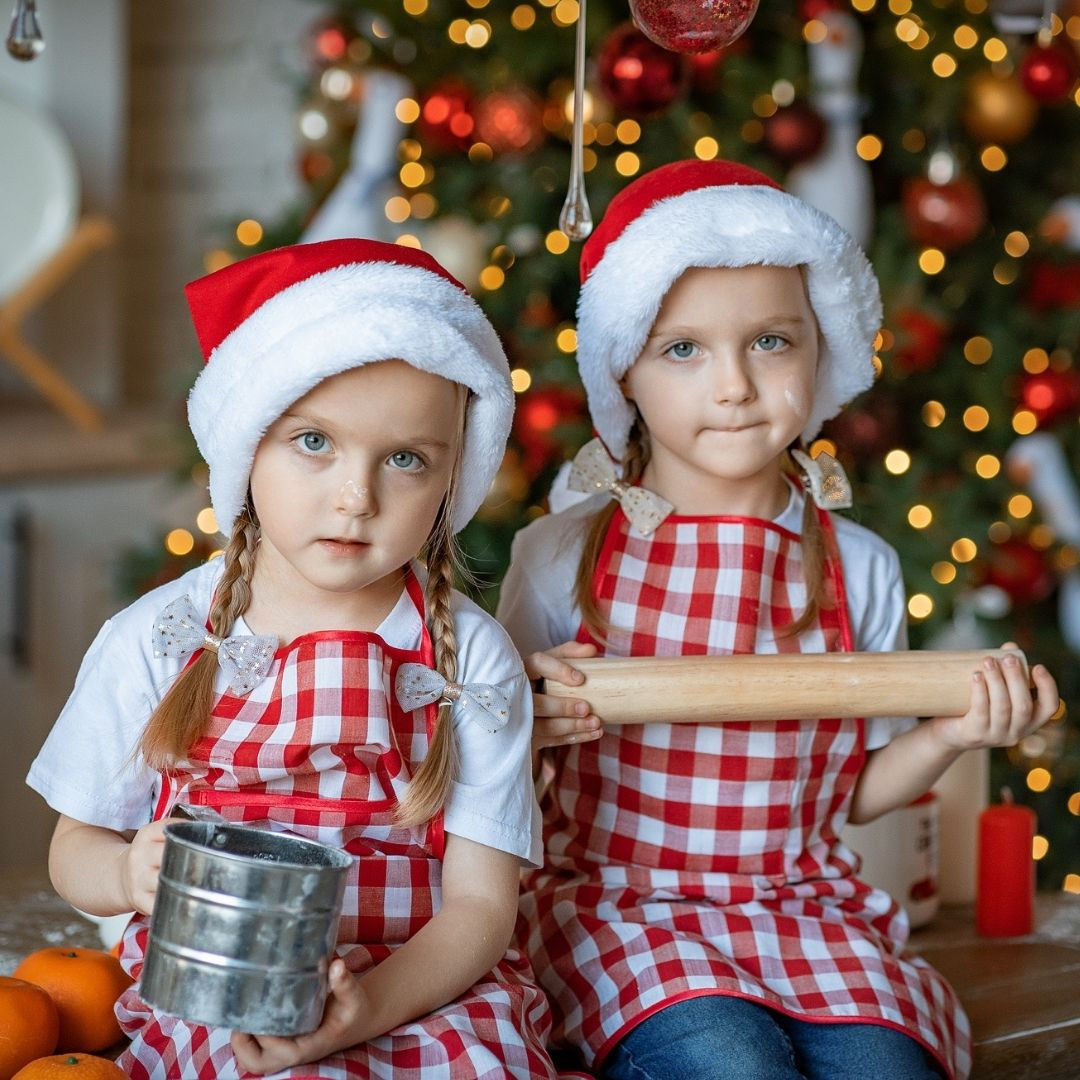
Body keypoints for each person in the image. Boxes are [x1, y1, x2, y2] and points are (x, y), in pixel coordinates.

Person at [497, 160, 1059, 1080]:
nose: (734, 387)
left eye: (770, 341)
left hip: (802, 906)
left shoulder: (861, 566)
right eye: (682, 349)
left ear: (821, 349)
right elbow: (486, 769)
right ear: (624, 370)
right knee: (729, 1064)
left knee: (890, 1070)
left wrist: (956, 732)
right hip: (622, 912)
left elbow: (854, 792)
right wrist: (533, 727)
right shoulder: (561, 554)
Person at [27, 238, 558, 1078]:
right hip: (225, 994)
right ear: (246, 447)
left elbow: (482, 907)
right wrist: (129, 871)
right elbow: (72, 850)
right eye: (314, 442)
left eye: (406, 459)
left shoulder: (467, 659)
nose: (357, 496)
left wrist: (368, 1010)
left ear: (453, 479)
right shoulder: (163, 636)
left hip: (421, 986)